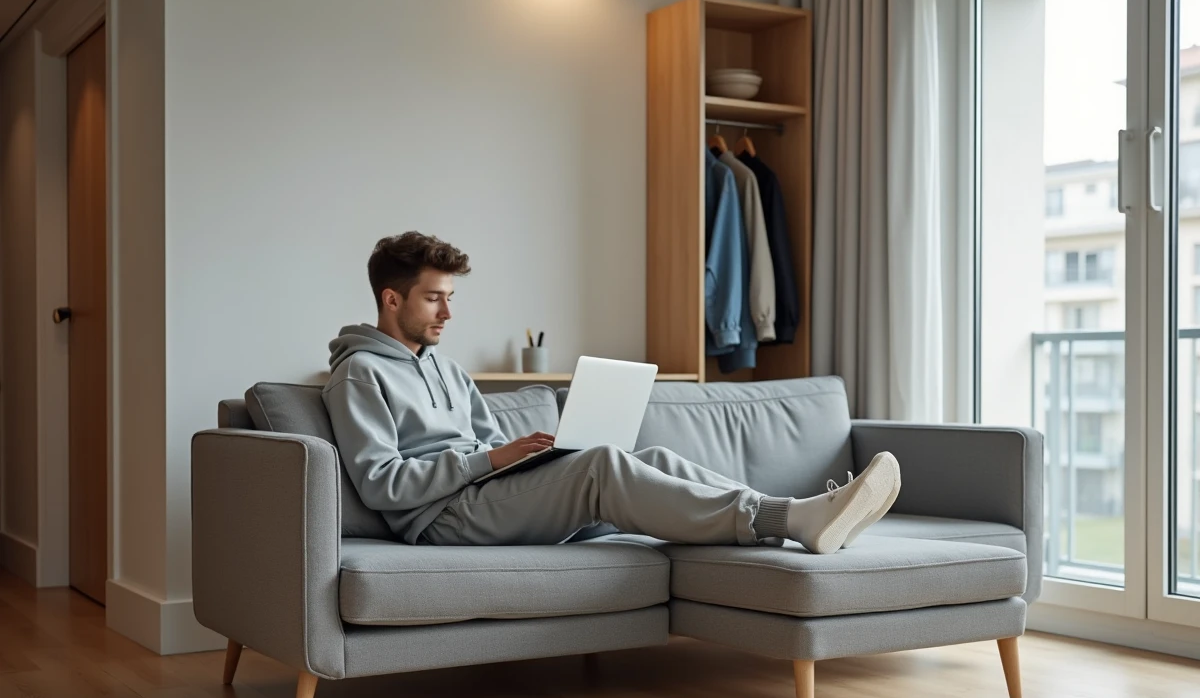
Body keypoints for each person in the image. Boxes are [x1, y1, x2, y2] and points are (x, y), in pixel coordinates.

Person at [322, 232, 901, 553]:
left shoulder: (447, 369)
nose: (449, 311)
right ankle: (786, 520)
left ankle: (793, 514)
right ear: (391, 300)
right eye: (433, 298)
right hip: (438, 517)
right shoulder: (360, 374)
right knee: (601, 468)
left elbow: (492, 444)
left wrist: (530, 456)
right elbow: (382, 483)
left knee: (647, 459)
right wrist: (489, 460)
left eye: (452, 297)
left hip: (486, 496)